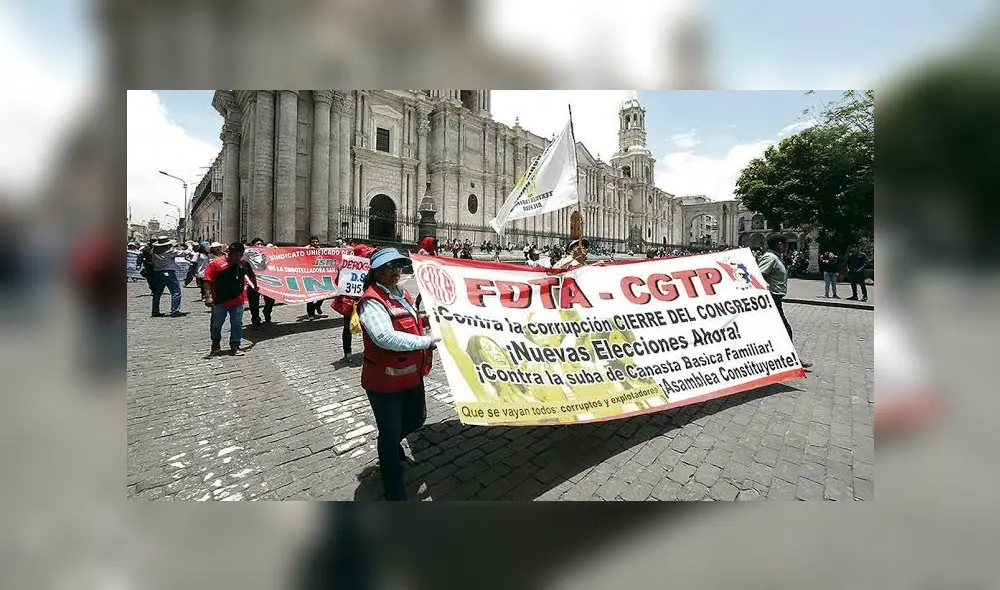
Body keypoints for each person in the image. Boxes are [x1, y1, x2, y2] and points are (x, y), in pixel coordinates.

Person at [357, 248, 439, 501]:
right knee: (390, 433)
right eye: (389, 267)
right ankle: (393, 485)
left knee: (417, 419)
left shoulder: (402, 293)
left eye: (399, 266)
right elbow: (384, 337)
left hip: (411, 375)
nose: (396, 271)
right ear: (376, 271)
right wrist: (425, 342)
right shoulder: (371, 301)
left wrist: (428, 320)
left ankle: (390, 448)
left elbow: (410, 319)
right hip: (384, 381)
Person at [757, 235, 813, 369]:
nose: (787, 247)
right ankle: (790, 359)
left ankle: (780, 358)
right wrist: (766, 286)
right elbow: (758, 274)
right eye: (785, 244)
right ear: (779, 245)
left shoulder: (776, 257)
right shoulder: (770, 258)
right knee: (785, 329)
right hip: (771, 299)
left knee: (773, 330)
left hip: (776, 299)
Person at [202, 242, 256, 356]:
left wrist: (255, 287)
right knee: (216, 324)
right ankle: (215, 343)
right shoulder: (216, 264)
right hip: (220, 301)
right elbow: (207, 280)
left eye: (240, 255)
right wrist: (208, 296)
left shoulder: (243, 264)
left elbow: (252, 276)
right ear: (228, 253)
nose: (238, 258)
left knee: (237, 324)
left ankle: (235, 346)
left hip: (237, 301)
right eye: (235, 255)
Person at [330, 242, 374, 360]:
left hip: (365, 301)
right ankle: (347, 352)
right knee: (347, 327)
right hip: (350, 303)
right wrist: (340, 272)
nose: (368, 256)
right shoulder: (346, 266)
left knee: (368, 327)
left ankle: (369, 350)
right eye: (366, 254)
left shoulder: (369, 267)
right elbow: (338, 284)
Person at [148, 235, 184, 317]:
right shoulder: (170, 252)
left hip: (157, 273)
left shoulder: (153, 252)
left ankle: (155, 311)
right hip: (168, 273)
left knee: (157, 293)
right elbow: (183, 253)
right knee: (176, 292)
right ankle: (175, 310)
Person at [246, 238, 276, 327]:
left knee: (270, 300)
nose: (260, 246)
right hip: (253, 282)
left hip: (267, 281)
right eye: (257, 244)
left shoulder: (267, 254)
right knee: (254, 303)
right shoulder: (248, 256)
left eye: (261, 244)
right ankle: (255, 319)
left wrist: (275, 251)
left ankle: (267, 312)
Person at [305, 236, 327, 318]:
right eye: (313, 242)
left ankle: (317, 305)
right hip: (309, 275)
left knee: (324, 294)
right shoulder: (305, 250)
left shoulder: (321, 250)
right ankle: (311, 314)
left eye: (316, 242)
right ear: (310, 243)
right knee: (310, 296)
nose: (315, 243)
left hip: (319, 275)